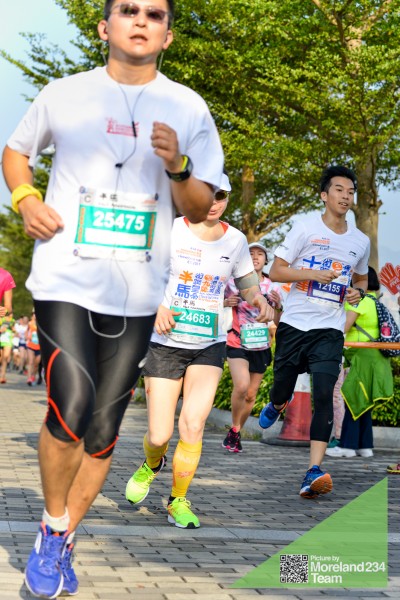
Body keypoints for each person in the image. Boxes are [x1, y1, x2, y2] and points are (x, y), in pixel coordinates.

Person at [2, 1, 223, 597]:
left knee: (101, 433)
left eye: (154, 13)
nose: (140, 19)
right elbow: (16, 151)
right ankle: (52, 529)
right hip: (66, 278)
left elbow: (200, 206)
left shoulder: (188, 108)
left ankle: (64, 537)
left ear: (168, 35)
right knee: (70, 407)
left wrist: (178, 165)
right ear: (106, 27)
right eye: (128, 10)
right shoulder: (65, 93)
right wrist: (25, 198)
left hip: (139, 292)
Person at [125, 175, 275, 528]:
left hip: (209, 343)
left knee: (193, 425)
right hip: (165, 342)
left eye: (220, 195)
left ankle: (178, 499)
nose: (213, 202)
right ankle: (152, 463)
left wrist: (258, 299)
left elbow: (247, 282)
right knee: (159, 435)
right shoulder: (169, 228)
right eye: (207, 194)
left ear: (228, 198)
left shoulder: (236, 240)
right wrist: (156, 306)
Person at [258, 165, 370, 499]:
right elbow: (277, 271)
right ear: (324, 195)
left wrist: (358, 293)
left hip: (329, 329)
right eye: (339, 190)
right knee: (282, 386)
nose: (346, 196)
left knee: (323, 395)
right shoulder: (305, 228)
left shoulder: (360, 241)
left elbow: (362, 279)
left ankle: (313, 471)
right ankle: (279, 402)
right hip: (295, 324)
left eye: (350, 192)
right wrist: (311, 274)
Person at [326, 267, 393, 458]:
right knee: (365, 402)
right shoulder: (375, 301)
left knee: (353, 398)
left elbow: (344, 327)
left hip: (362, 357)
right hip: (376, 357)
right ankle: (365, 446)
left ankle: (347, 446)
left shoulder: (359, 301)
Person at [222, 242, 283, 452]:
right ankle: (235, 428)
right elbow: (212, 303)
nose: (255, 257)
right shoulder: (232, 283)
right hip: (237, 341)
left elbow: (278, 321)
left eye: (260, 254)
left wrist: (278, 306)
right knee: (241, 386)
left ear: (266, 260)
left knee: (250, 394)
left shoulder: (273, 287)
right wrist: (225, 303)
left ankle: (235, 431)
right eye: (251, 254)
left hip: (261, 345)